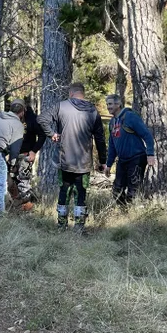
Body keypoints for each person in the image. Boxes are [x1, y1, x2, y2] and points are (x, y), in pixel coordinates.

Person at [37, 82, 106, 230]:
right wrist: (103, 161)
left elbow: (42, 119)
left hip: (64, 160)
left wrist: (52, 134)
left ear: (71, 93)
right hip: (84, 162)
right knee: (81, 193)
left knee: (64, 191)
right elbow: (100, 138)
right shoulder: (93, 111)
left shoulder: (61, 106)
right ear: (83, 94)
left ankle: (62, 226)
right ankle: (79, 227)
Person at [105, 94, 155, 205]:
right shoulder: (112, 122)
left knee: (133, 191)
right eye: (107, 104)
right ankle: (123, 214)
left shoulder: (130, 117)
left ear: (118, 104)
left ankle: (133, 216)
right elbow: (112, 145)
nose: (108, 107)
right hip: (122, 160)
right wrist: (108, 165)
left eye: (110, 104)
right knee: (117, 190)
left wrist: (150, 154)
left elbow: (147, 135)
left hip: (136, 158)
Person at [12, 103, 46, 205]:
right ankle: (16, 204)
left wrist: (34, 151)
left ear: (24, 110)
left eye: (19, 110)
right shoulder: (13, 118)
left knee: (23, 181)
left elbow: (42, 135)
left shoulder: (33, 119)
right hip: (14, 154)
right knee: (12, 180)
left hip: (26, 154)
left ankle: (27, 205)